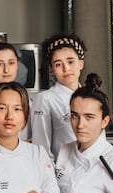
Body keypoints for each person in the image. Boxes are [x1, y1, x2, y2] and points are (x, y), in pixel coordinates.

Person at [31, 33, 87, 161]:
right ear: (51, 70)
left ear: (81, 64)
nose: (66, 68)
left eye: (70, 61)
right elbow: (41, 148)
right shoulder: (45, 99)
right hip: (63, 176)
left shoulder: (92, 97)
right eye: (58, 64)